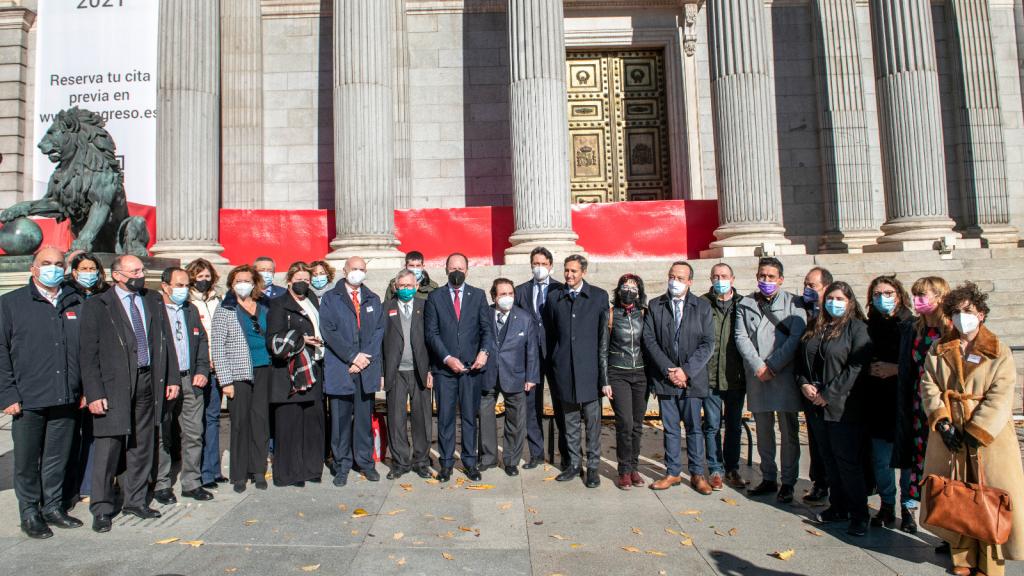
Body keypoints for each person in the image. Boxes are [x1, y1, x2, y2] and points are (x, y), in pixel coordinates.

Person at [920, 282, 1024, 576]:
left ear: (981, 313)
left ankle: (990, 563)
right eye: (956, 311)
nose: (962, 317)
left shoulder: (998, 349)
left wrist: (977, 430)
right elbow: (929, 385)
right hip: (950, 433)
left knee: (989, 498)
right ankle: (962, 558)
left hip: (988, 438)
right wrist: (941, 419)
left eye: (968, 311)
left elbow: (1002, 394)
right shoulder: (940, 347)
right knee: (955, 495)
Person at [80, 254, 179, 533]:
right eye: (134, 270)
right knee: (109, 446)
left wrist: (170, 377)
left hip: (148, 380)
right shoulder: (98, 305)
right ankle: (101, 507)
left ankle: (135, 499)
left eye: (141, 269)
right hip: (113, 386)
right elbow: (87, 354)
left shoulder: (152, 299)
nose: (140, 274)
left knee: (142, 443)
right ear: (118, 276)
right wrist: (94, 391)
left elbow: (165, 340)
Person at [0, 247, 85, 538]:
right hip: (27, 398)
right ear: (33, 269)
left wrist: (84, 388)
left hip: (65, 395)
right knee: (26, 460)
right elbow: (0, 352)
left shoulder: (75, 301)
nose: (53, 268)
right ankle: (30, 512)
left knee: (56, 457)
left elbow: (86, 350)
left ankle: (52, 507)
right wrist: (7, 394)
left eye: (58, 264)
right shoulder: (11, 304)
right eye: (46, 263)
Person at [797, 281, 872, 537]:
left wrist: (828, 394)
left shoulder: (858, 329)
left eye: (840, 298)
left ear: (850, 301)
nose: (834, 303)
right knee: (828, 458)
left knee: (847, 462)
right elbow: (802, 360)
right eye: (830, 298)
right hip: (815, 405)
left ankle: (859, 514)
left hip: (843, 406)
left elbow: (856, 366)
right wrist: (805, 384)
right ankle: (837, 505)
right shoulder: (817, 326)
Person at [734, 257, 806, 503]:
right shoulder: (745, 303)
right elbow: (741, 336)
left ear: (781, 279)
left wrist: (773, 365)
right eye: (762, 276)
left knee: (789, 431)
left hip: (783, 373)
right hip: (758, 375)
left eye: (771, 277)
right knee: (763, 429)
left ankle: (788, 481)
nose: (766, 281)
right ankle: (768, 477)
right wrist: (758, 366)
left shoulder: (794, 303)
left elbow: (795, 337)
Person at [643, 262, 716, 494]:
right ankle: (672, 472)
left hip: (692, 379)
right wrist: (669, 370)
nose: (675, 281)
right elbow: (650, 341)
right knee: (671, 427)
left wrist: (686, 371)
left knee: (694, 428)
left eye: (681, 278)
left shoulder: (703, 307)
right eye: (672, 276)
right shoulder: (656, 305)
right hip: (666, 379)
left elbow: (707, 344)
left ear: (690, 282)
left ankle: (697, 473)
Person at [424, 252, 494, 482]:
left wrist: (483, 353)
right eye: (453, 268)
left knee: (469, 418)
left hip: (471, 370)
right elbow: (431, 333)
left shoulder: (478, 295)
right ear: (446, 270)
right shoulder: (435, 297)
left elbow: (486, 329)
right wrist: (446, 358)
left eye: (461, 268)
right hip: (445, 370)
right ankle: (446, 464)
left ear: (467, 270)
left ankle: (470, 462)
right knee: (444, 417)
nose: (457, 272)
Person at [545, 254, 609, 488]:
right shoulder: (554, 298)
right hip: (564, 368)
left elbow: (603, 336)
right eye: (567, 271)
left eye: (574, 271)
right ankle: (573, 463)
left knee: (593, 422)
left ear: (583, 272)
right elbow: (551, 333)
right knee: (569, 420)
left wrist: (604, 374)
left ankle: (592, 467)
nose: (569, 275)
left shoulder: (599, 297)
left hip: (590, 369)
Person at [320, 256, 385, 486]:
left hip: (365, 369)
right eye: (354, 268)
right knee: (340, 420)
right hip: (342, 367)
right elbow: (329, 331)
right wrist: (351, 356)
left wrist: (363, 359)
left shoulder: (372, 298)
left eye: (362, 269)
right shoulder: (330, 298)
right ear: (344, 270)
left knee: (364, 420)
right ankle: (342, 465)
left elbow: (378, 331)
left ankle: (365, 463)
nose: (358, 272)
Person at [153, 267, 213, 504]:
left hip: (191, 379)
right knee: (163, 435)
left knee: (193, 433)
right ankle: (162, 483)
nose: (184, 290)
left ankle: (192, 482)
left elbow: (201, 342)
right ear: (165, 286)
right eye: (179, 285)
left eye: (186, 285)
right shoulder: (155, 311)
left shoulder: (191, 310)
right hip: (166, 381)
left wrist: (202, 370)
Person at [897, 276, 951, 530]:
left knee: (940, 464)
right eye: (916, 294)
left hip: (941, 407)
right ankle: (908, 508)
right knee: (912, 459)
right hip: (915, 404)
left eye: (924, 295)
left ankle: (946, 524)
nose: (918, 300)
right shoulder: (913, 328)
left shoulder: (950, 331)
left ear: (940, 298)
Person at [211, 265, 271, 494]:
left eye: (247, 280)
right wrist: (225, 381)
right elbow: (218, 346)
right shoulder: (225, 308)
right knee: (239, 423)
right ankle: (238, 473)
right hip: (238, 374)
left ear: (255, 283)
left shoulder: (265, 306)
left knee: (260, 421)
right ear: (231, 284)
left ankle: (258, 469)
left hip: (264, 368)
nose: (243, 284)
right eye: (238, 281)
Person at [863, 275, 917, 532]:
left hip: (904, 402)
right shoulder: (868, 325)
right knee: (881, 459)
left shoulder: (911, 324)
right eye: (876, 294)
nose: (882, 298)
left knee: (905, 460)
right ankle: (886, 503)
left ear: (899, 295)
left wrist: (894, 369)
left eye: (887, 292)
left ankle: (908, 507)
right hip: (876, 401)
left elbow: (922, 364)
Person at [265, 262, 326, 487]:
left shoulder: (313, 301)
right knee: (289, 426)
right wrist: (302, 340)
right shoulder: (279, 304)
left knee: (312, 424)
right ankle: (289, 473)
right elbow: (273, 339)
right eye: (299, 279)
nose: (304, 283)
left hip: (313, 368)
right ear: (289, 280)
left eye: (307, 280)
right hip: (290, 373)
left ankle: (311, 469)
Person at [478, 278, 538, 476]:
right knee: (485, 417)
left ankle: (511, 460)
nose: (507, 298)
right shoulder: (484, 314)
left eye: (510, 294)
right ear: (494, 296)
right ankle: (488, 457)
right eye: (503, 294)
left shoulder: (524, 317)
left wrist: (531, 377)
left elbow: (531, 350)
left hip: (515, 375)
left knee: (515, 419)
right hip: (487, 374)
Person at [513, 246, 565, 469]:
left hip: (555, 354)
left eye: (543, 264)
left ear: (551, 266)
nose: (539, 268)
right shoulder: (521, 290)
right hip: (530, 355)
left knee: (563, 404)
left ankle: (568, 453)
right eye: (535, 264)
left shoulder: (560, 289)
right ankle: (536, 452)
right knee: (531, 405)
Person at [63, 251, 108, 510]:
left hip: (99, 373)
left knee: (94, 433)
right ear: (75, 271)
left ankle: (90, 484)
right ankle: (69, 486)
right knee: (70, 436)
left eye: (93, 268)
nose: (89, 273)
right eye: (84, 268)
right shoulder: (67, 297)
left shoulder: (103, 296)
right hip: (71, 374)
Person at [382, 269, 434, 480]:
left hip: (419, 370)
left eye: (409, 285)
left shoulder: (425, 307)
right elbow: (378, 342)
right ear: (395, 286)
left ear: (416, 286)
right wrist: (381, 372)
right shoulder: (386, 308)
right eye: (401, 286)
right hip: (395, 371)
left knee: (422, 418)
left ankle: (421, 461)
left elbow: (432, 339)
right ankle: (400, 462)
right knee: (396, 418)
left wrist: (431, 370)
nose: (405, 289)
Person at [600, 273, 649, 490]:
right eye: (625, 286)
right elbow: (602, 349)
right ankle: (623, 470)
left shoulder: (644, 314)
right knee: (625, 423)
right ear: (619, 289)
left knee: (637, 425)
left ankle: (634, 468)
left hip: (640, 374)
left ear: (639, 292)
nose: (629, 290)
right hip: (617, 373)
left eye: (633, 287)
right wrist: (605, 379)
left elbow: (649, 346)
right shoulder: (610, 314)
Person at [702, 263, 747, 490]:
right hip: (709, 376)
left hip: (735, 377)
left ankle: (732, 467)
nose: (720, 279)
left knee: (734, 425)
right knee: (711, 425)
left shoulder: (744, 305)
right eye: (716, 276)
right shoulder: (702, 303)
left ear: (733, 278)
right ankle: (715, 469)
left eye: (724, 276)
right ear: (710, 279)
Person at [186, 258, 228, 489]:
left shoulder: (218, 299)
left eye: (206, 276)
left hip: (217, 368)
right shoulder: (187, 301)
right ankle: (197, 471)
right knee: (195, 423)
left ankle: (212, 470)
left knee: (213, 420)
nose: (203, 280)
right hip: (196, 369)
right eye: (199, 276)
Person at [797, 266, 833, 505]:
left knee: (836, 444)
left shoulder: (842, 319)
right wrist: (803, 383)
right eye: (806, 285)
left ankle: (839, 488)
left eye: (813, 286)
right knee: (816, 440)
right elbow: (800, 355)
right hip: (810, 390)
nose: (807, 290)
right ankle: (819, 482)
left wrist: (829, 391)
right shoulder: (805, 315)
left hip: (834, 393)